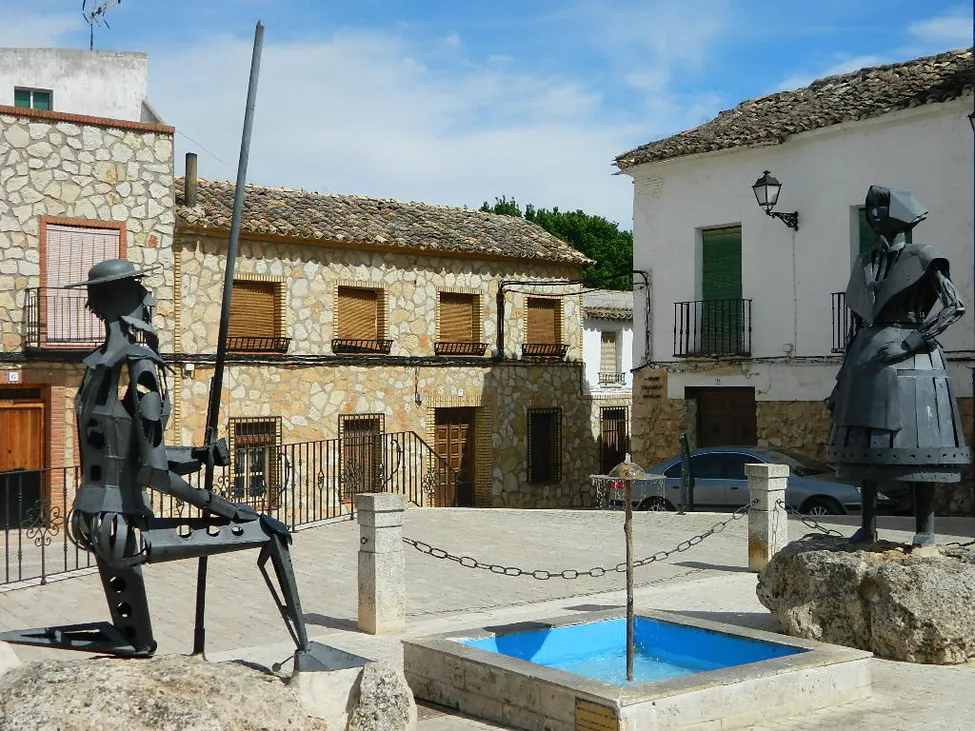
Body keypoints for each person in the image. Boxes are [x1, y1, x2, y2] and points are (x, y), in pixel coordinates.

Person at [3, 259, 323, 670]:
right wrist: (230, 509)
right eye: (140, 287)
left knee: (138, 642)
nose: (149, 297)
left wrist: (200, 456)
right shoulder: (141, 366)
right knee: (269, 533)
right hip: (124, 523)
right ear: (124, 300)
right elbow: (152, 473)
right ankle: (308, 653)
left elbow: (129, 454)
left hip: (91, 517)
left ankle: (19, 637)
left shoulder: (96, 366)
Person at [827, 186, 969, 546]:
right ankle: (867, 525)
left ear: (904, 215)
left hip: (913, 360)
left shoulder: (925, 257)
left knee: (920, 447)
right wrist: (842, 378)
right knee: (867, 446)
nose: (875, 214)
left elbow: (955, 305)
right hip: (865, 359)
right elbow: (856, 323)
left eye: (882, 207)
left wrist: (911, 343)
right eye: (871, 208)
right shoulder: (864, 261)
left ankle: (925, 529)